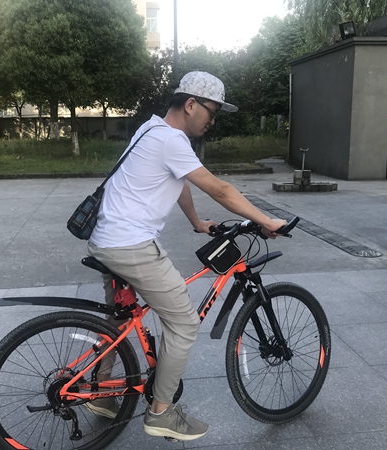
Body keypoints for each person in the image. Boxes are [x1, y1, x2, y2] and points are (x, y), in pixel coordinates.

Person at [87, 71, 287, 441]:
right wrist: (266, 220)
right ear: (191, 104)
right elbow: (221, 189)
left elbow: (177, 181)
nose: (213, 120)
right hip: (130, 245)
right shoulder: (171, 140)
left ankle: (100, 390)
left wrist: (196, 222)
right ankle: (161, 413)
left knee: (120, 316)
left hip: (107, 240)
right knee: (184, 322)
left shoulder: (151, 129)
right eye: (212, 111)